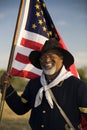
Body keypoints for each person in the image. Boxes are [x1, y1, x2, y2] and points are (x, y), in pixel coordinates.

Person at [0, 38, 87, 130]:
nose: (47, 60)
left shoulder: (77, 85)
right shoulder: (34, 84)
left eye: (51, 56)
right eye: (43, 57)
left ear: (61, 59)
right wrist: (6, 86)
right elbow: (20, 108)